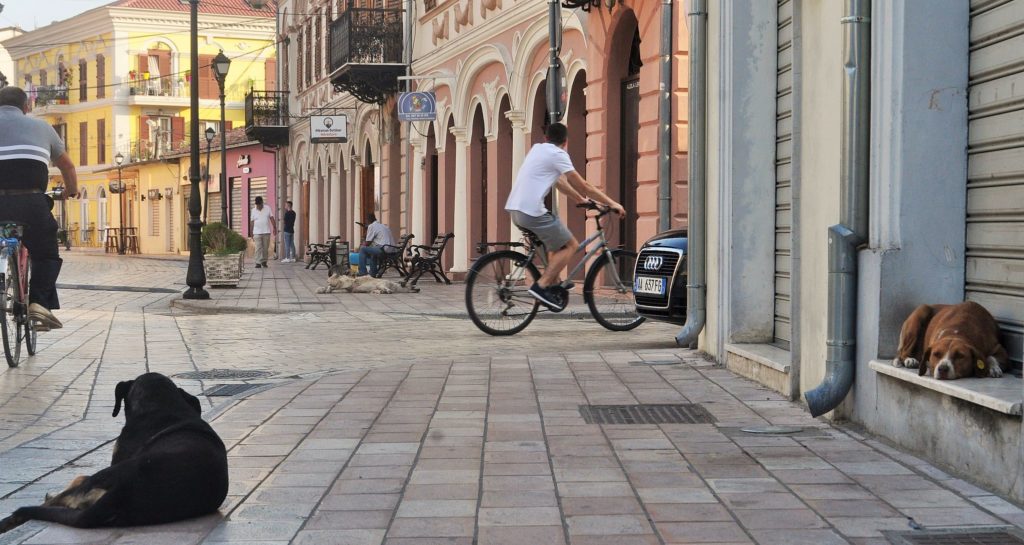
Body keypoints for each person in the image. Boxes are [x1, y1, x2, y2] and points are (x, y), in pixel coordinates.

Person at [505, 122, 625, 310]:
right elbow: (583, 185)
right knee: (572, 245)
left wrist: (578, 199)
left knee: (556, 237)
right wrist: (612, 203)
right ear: (566, 142)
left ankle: (555, 281)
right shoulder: (559, 154)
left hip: (516, 210)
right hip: (531, 211)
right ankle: (542, 285)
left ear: (546, 138)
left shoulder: (538, 149)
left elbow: (558, 182)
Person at [0, 86, 78, 330]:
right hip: (31, 202)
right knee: (45, 254)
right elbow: (67, 167)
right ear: (26, 107)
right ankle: (39, 304)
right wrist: (71, 190)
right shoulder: (43, 127)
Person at [357, 213, 394, 277]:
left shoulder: (371, 226)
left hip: (383, 249)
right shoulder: (383, 226)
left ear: (368, 220)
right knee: (373, 251)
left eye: (366, 220)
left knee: (362, 249)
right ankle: (372, 273)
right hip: (391, 249)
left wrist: (362, 244)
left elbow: (367, 243)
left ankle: (362, 272)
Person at [249, 196, 276, 269]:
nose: (258, 206)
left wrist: (274, 227)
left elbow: (271, 218)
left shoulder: (267, 208)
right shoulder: (253, 210)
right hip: (257, 232)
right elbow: (252, 222)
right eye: (256, 204)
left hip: (266, 232)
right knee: (258, 248)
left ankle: (264, 261)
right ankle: (258, 262)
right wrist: (251, 232)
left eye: (259, 204)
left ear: (262, 203)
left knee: (265, 248)